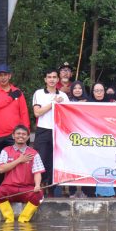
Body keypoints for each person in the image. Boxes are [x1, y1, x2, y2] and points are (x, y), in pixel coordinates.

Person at [0, 64, 30, 197]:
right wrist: (10, 97)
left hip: (13, 136)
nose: (3, 78)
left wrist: (25, 132)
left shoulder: (17, 91)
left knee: (15, 165)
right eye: (0, 75)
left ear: (10, 76)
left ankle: (14, 191)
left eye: (5, 75)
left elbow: (24, 113)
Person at [0, 125, 45, 223]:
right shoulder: (5, 151)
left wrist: (37, 185)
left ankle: (23, 219)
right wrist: (19, 160)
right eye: (18, 134)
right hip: (9, 188)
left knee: (39, 194)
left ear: (27, 137)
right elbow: (1, 169)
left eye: (24, 134)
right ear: (13, 136)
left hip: (26, 188)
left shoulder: (34, 153)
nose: (21, 136)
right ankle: (9, 219)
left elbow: (37, 172)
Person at [31, 69, 69, 197]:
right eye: (49, 77)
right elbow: (37, 112)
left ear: (58, 79)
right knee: (41, 159)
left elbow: (68, 115)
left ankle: (52, 189)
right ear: (45, 79)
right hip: (43, 130)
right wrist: (53, 103)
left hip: (58, 131)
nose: (52, 79)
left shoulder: (63, 96)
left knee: (55, 161)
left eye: (54, 77)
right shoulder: (39, 93)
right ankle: (40, 187)